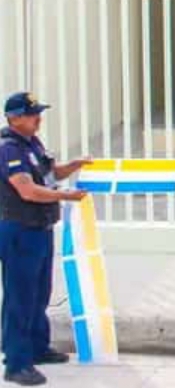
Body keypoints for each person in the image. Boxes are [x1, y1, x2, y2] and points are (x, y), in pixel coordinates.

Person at [0, 92, 90, 386]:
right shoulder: (9, 149)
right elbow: (27, 190)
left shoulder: (32, 144)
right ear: (14, 119)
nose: (38, 118)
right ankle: (16, 363)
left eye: (38, 112)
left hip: (39, 228)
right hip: (20, 230)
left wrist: (75, 164)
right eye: (32, 114)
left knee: (40, 292)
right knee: (20, 296)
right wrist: (65, 196)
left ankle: (37, 347)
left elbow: (50, 174)